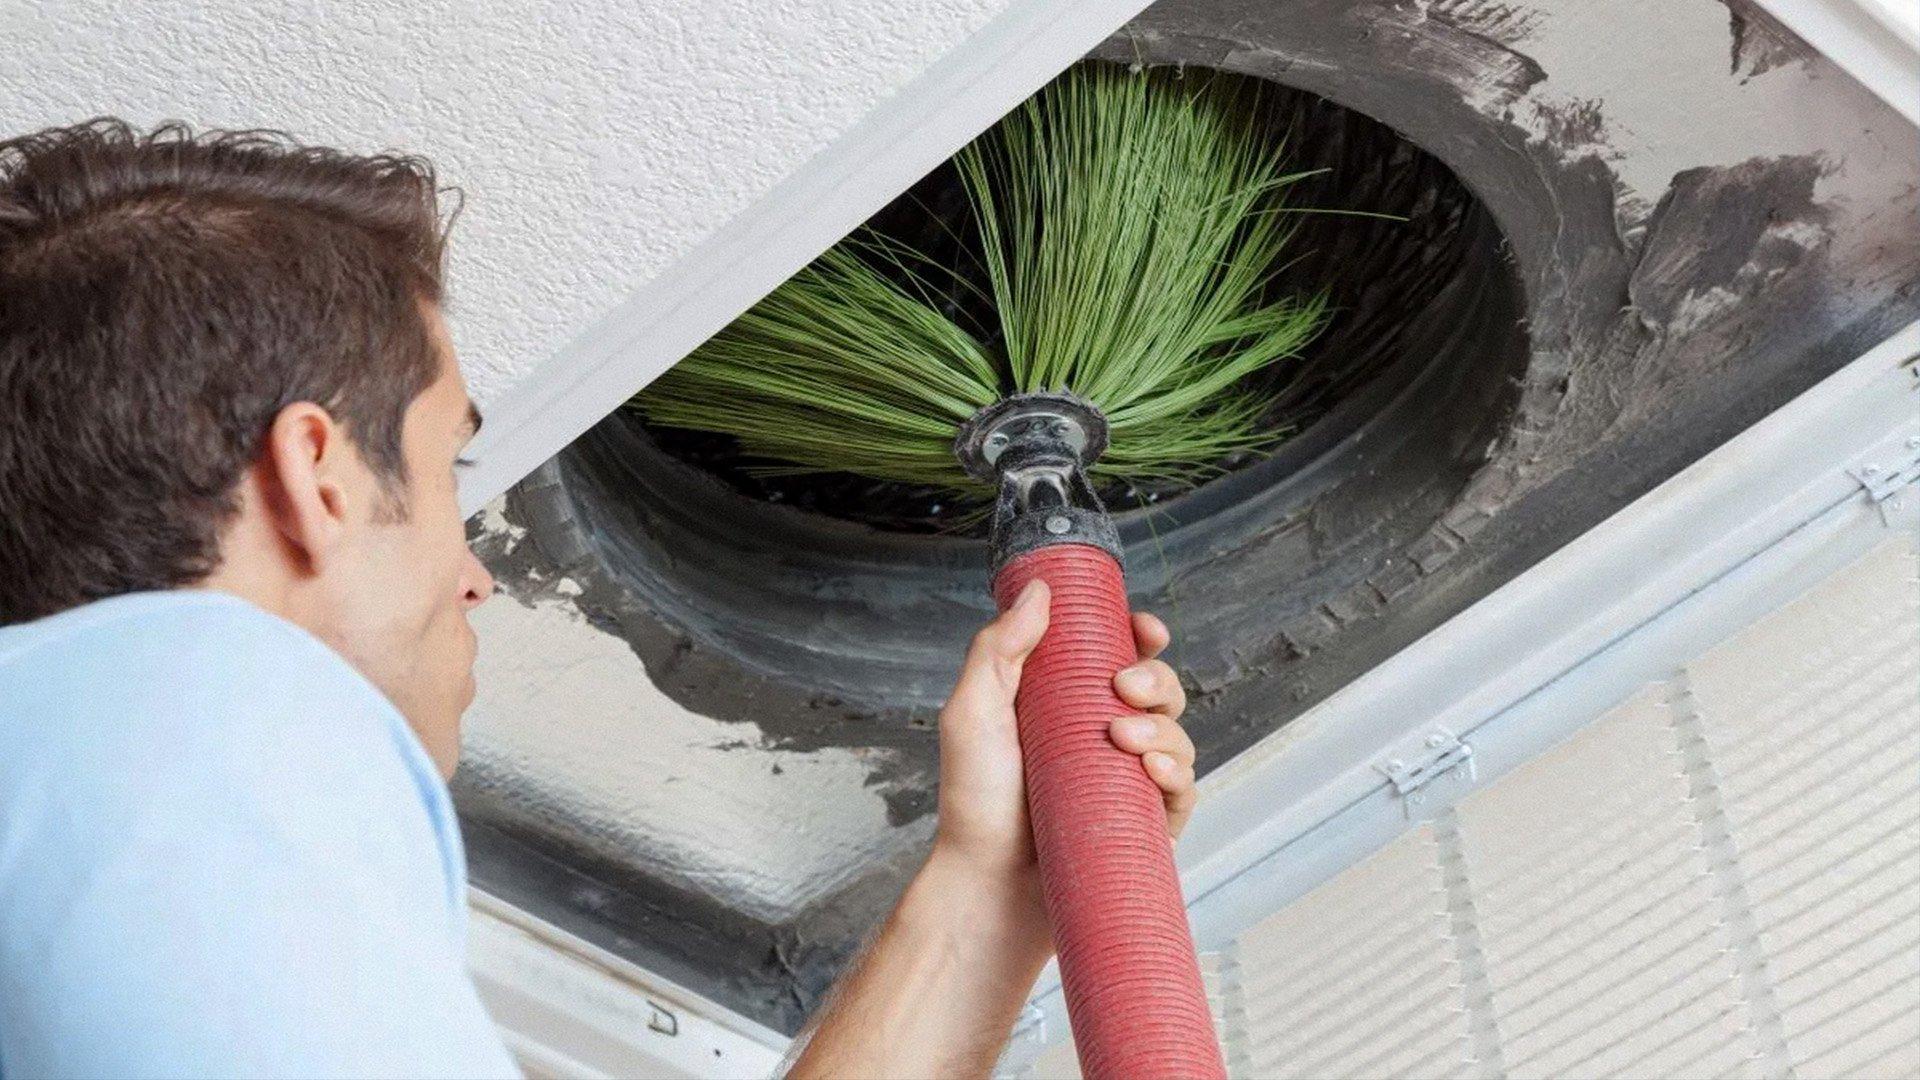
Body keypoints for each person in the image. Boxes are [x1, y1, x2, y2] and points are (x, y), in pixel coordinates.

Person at [0, 120, 1201, 1079]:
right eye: (447, 467)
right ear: (319, 477)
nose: (474, 573)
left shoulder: (95, 818)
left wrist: (994, 885)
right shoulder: (206, 736)